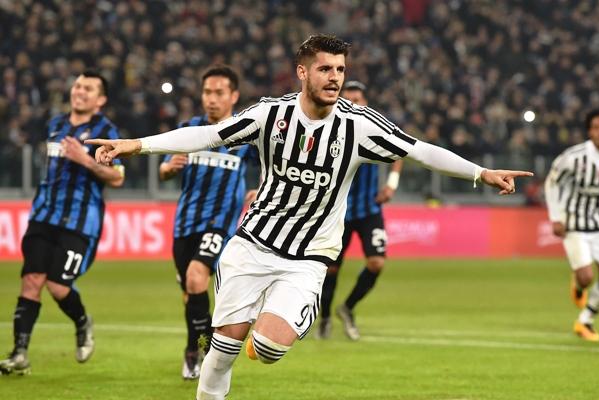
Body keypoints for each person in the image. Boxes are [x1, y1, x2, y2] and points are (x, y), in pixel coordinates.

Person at [86, 34, 531, 400]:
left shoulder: (359, 125)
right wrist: (136, 144)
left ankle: (280, 310)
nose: (335, 77)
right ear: (303, 72)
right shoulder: (270, 115)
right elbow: (208, 134)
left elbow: (419, 151)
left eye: (340, 69)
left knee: (266, 347)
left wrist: (481, 172)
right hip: (253, 244)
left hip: (308, 258)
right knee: (221, 352)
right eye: (325, 69)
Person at [0, 71, 125, 375]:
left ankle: (82, 322)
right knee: (31, 281)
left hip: (80, 222)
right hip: (43, 215)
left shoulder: (105, 131)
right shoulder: (55, 125)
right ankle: (19, 355)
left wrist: (85, 160)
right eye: (78, 85)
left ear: (101, 99)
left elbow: (118, 176)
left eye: (89, 88)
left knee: (57, 285)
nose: (80, 91)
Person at [158, 65, 257, 380]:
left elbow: (274, 163)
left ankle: (206, 351)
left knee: (196, 276)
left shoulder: (244, 133)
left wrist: (263, 189)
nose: (211, 99)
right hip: (185, 224)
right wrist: (169, 168)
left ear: (234, 96)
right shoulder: (190, 129)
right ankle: (195, 348)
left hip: (220, 224)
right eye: (207, 93)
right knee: (191, 293)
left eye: (219, 93)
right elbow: (163, 170)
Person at [317, 80, 403, 341]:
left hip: (368, 209)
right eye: (349, 99)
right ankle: (325, 318)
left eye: (358, 100)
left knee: (376, 262)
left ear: (365, 103)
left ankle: (348, 307)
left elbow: (400, 151)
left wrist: (391, 184)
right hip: (337, 212)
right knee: (330, 270)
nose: (354, 103)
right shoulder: (329, 128)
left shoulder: (375, 128)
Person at [544, 107, 599, 342]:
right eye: (596, 128)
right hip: (575, 225)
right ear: (589, 131)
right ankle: (579, 284)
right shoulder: (573, 157)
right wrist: (556, 216)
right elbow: (552, 183)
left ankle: (585, 321)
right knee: (585, 277)